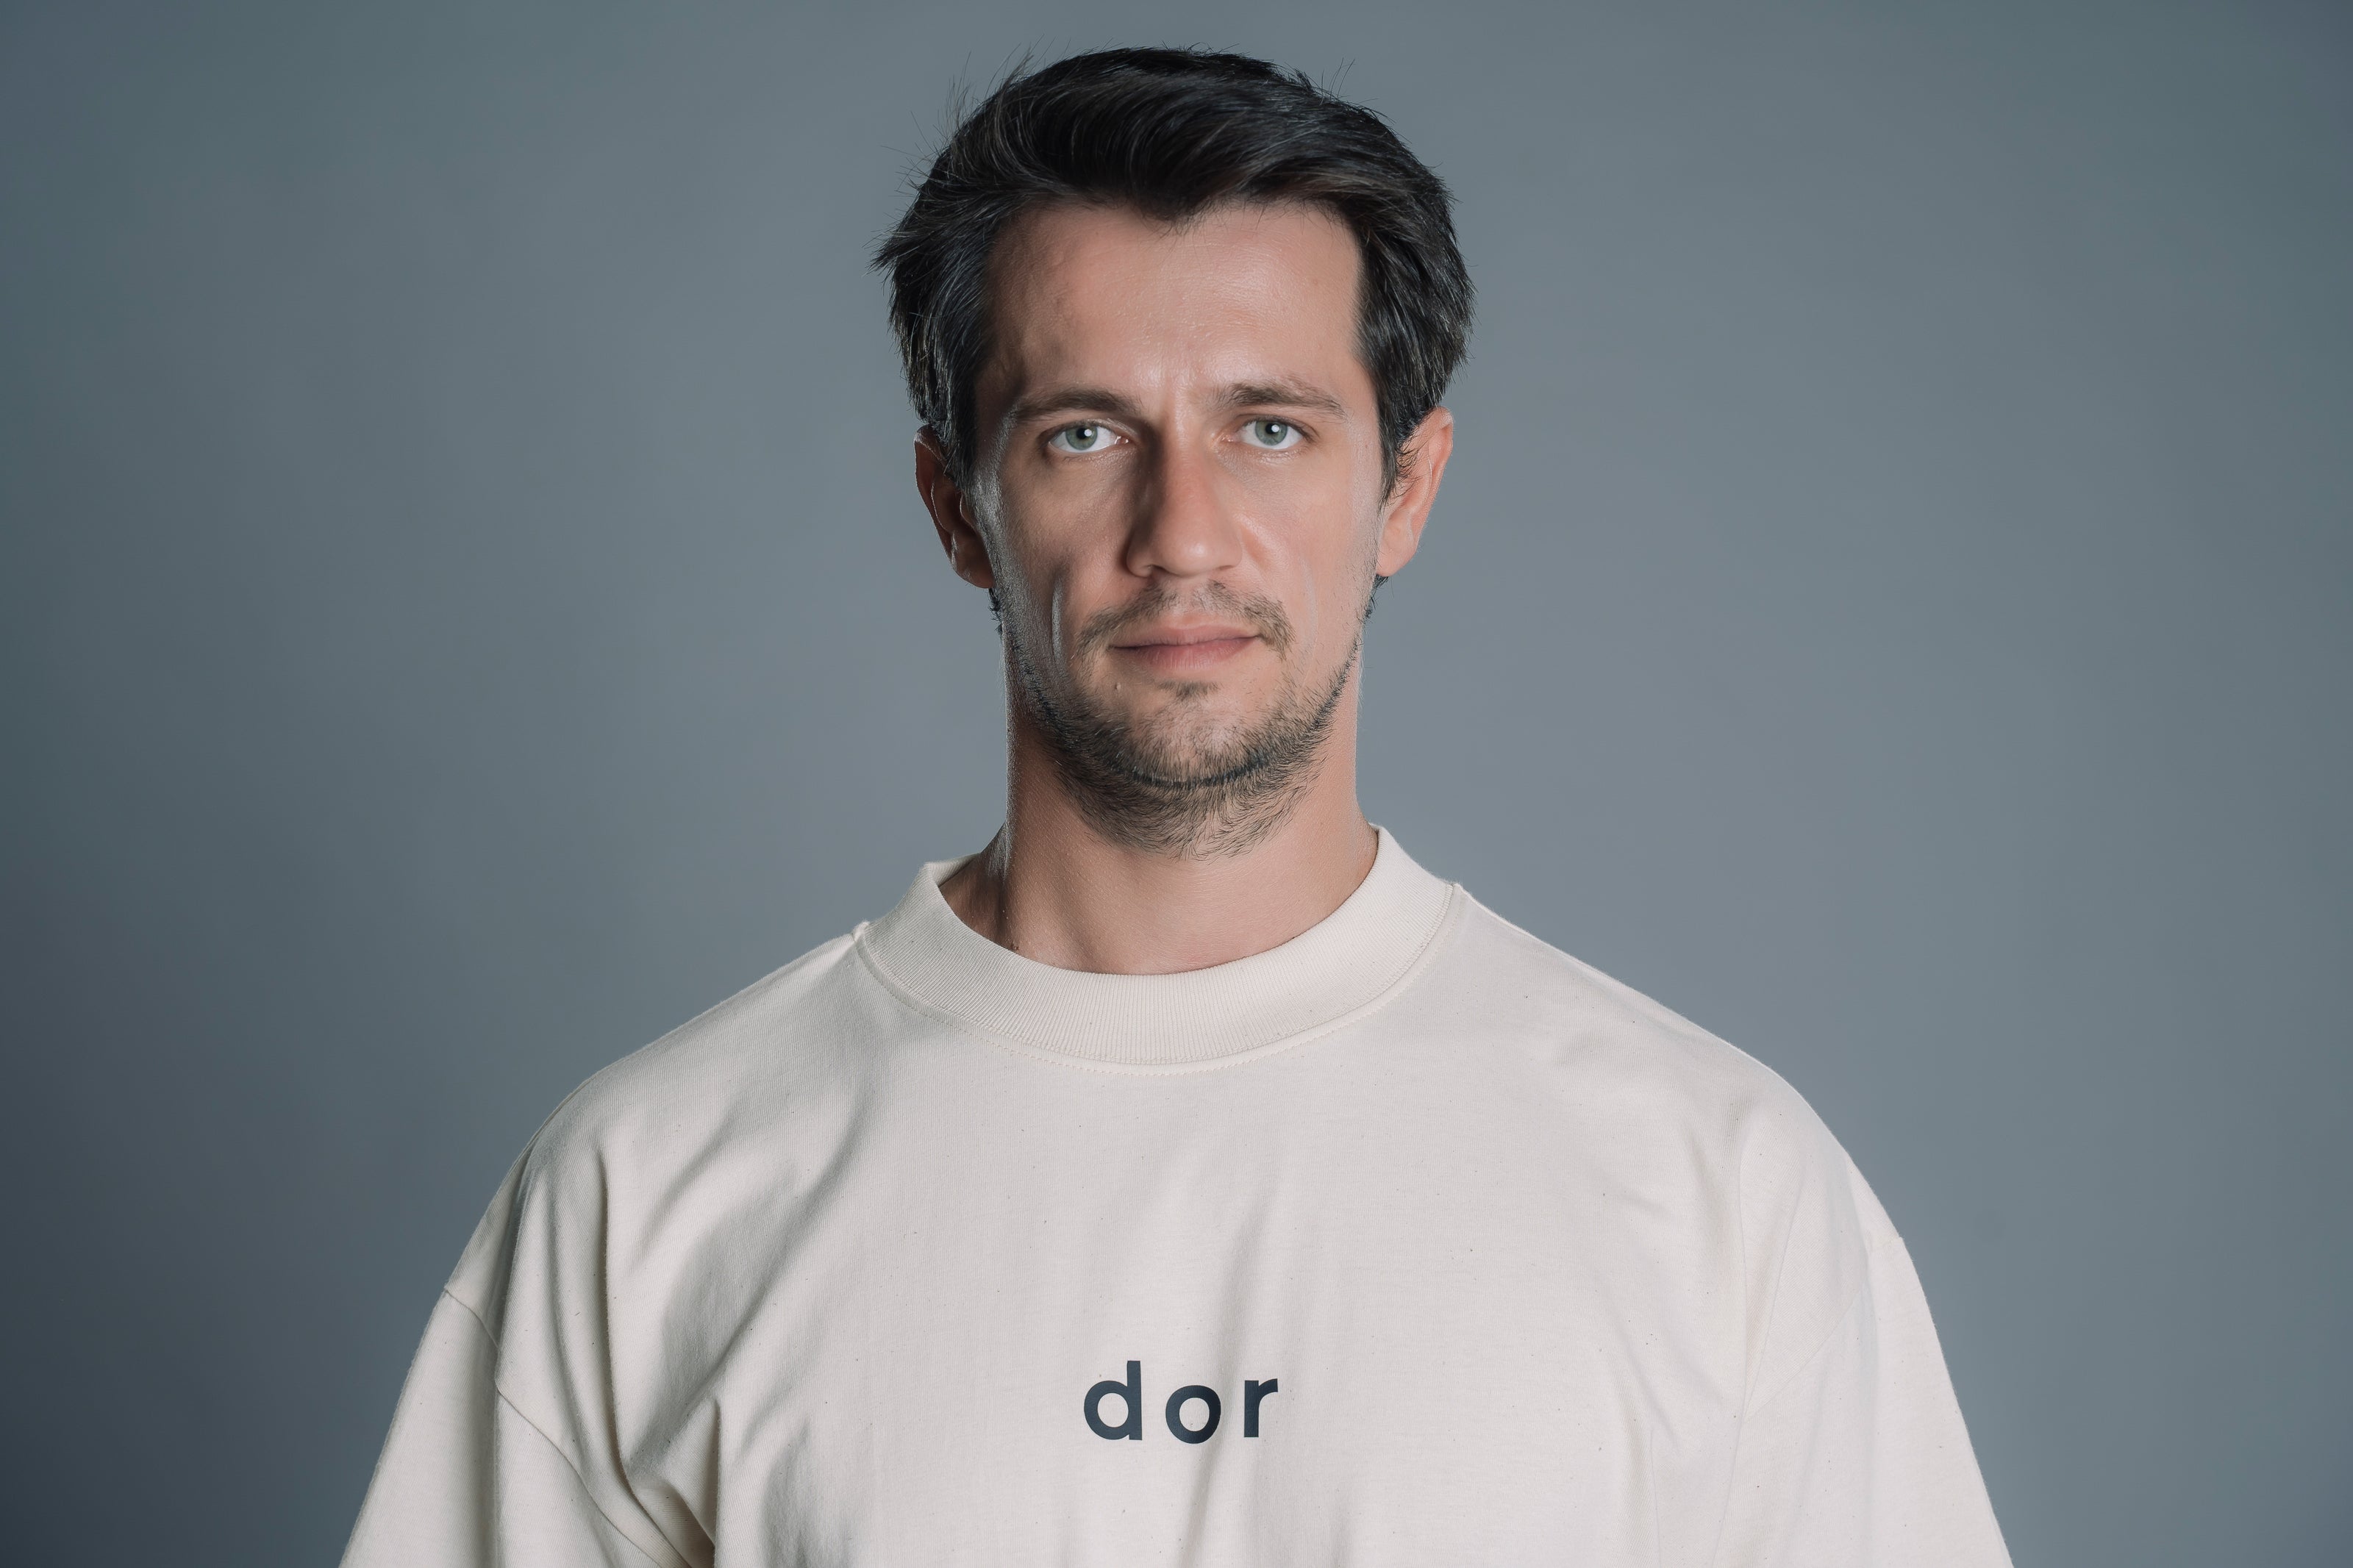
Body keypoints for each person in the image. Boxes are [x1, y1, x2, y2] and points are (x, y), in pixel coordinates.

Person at [342, 47, 2010, 1567]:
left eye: (1268, 427)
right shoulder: (653, 1187)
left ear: (1403, 487)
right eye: (1083, 434)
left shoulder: (1716, 1190)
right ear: (956, 503)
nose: (1184, 530)